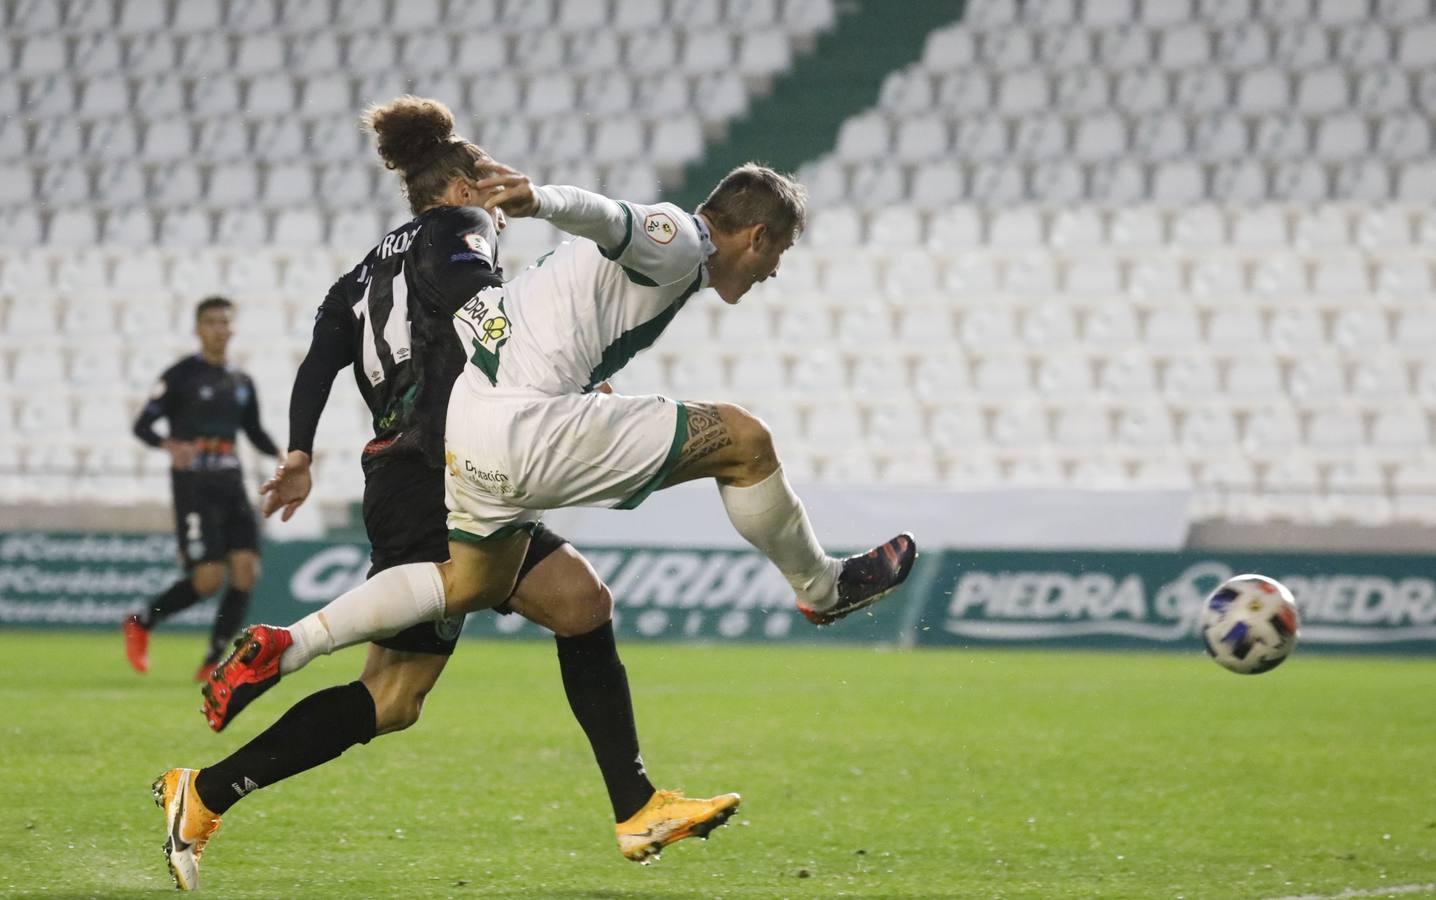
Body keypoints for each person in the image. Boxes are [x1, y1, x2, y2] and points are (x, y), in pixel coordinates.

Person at [150, 97, 734, 893]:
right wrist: (569, 385)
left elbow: (316, 368)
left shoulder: (356, 276)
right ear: (459, 188)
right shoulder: (461, 231)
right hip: (450, 458)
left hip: (391, 466)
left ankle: (204, 792)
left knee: (402, 694)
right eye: (487, 189)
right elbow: (479, 310)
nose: (500, 207)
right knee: (564, 613)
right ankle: (633, 805)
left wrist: (297, 454)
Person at [126, 296, 279, 681]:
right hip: (194, 485)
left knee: (246, 570)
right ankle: (143, 621)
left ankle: (213, 659)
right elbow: (143, 424)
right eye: (211, 322)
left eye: (225, 322)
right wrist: (168, 445)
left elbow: (254, 431)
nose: (219, 329)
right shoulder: (180, 376)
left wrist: (288, 457)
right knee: (208, 579)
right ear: (197, 329)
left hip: (231, 482)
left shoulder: (241, 382)